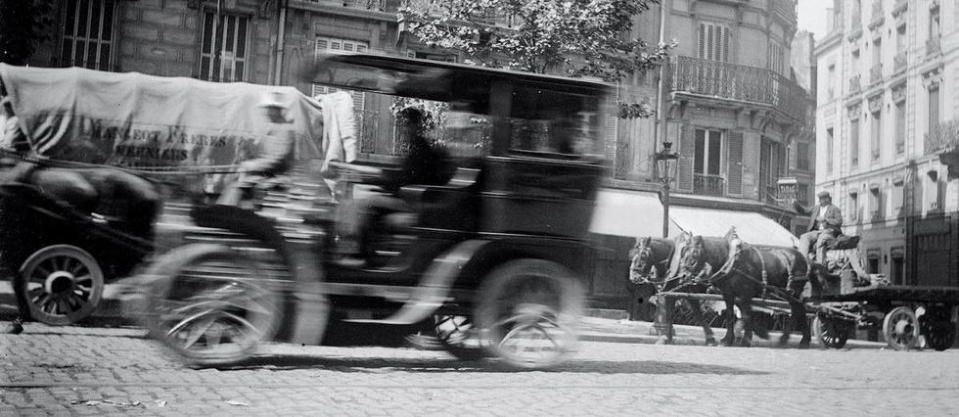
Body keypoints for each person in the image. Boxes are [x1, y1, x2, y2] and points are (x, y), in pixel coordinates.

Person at [335, 107, 453, 266]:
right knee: (367, 199)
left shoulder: (421, 149)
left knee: (363, 202)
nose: (402, 129)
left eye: (406, 124)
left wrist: (377, 180)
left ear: (415, 125)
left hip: (413, 202)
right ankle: (364, 252)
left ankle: (360, 255)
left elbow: (406, 178)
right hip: (409, 197)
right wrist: (378, 180)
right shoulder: (417, 147)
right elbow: (402, 176)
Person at [218, 91, 296, 206]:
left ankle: (229, 213)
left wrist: (252, 165)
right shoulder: (272, 127)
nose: (266, 112)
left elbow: (276, 159)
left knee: (237, 189)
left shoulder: (285, 129)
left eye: (269, 109)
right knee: (234, 183)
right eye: (267, 109)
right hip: (264, 174)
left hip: (277, 178)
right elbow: (263, 153)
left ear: (277, 109)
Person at [797, 191, 843, 264]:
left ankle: (820, 265)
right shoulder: (816, 208)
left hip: (829, 231)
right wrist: (796, 204)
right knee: (804, 237)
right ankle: (803, 262)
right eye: (821, 199)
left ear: (828, 199)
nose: (823, 200)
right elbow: (804, 211)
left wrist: (826, 219)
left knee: (821, 240)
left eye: (825, 198)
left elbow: (839, 221)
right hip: (817, 231)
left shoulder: (834, 208)